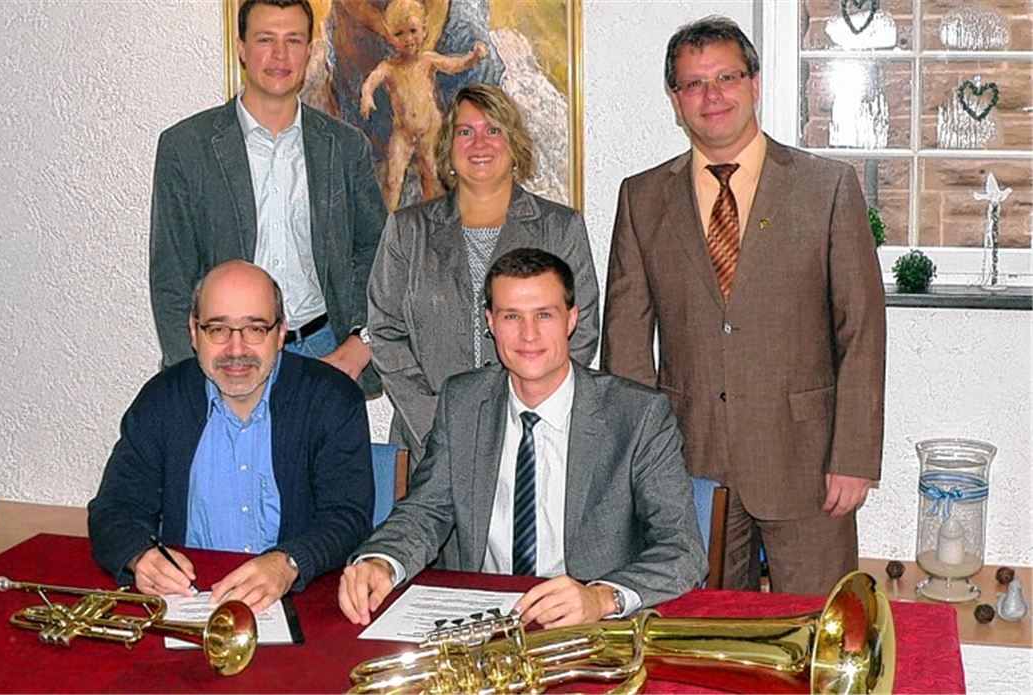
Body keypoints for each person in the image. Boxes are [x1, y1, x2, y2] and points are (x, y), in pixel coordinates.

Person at [601, 16, 886, 595]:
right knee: (696, 641)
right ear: (675, 101)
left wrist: (854, 455)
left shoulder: (826, 187)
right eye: (693, 83)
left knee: (815, 633)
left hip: (808, 464)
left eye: (726, 77)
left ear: (755, 83)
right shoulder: (642, 197)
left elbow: (861, 329)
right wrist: (636, 465)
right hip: (688, 464)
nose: (712, 95)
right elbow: (626, 344)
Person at [341, 248, 705, 628]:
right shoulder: (463, 402)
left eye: (544, 315)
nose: (528, 334)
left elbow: (682, 550)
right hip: (479, 620)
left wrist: (601, 596)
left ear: (572, 320)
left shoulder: (637, 414)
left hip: (586, 624)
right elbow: (426, 511)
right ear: (490, 323)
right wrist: (382, 559)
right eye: (511, 316)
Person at [89, 260, 374, 612]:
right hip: (190, 602)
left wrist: (288, 562)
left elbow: (347, 516)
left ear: (281, 332)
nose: (236, 350)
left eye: (255, 329)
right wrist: (139, 555)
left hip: (298, 600)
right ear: (194, 332)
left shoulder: (331, 398)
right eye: (218, 330)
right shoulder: (162, 400)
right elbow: (114, 507)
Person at [149, 0, 387, 397]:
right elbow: (171, 277)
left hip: (323, 353)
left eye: (293, 40)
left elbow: (378, 255)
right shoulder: (186, 148)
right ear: (241, 48)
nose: (280, 55)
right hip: (227, 357)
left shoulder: (345, 148)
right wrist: (192, 376)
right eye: (265, 40)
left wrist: (360, 344)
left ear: (309, 52)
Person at [368, 83, 599, 464]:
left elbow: (582, 329)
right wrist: (439, 426)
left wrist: (526, 415)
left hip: (532, 441)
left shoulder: (560, 228)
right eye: (465, 131)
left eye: (494, 130)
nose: (480, 143)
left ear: (514, 144)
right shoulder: (408, 230)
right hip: (427, 446)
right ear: (448, 147)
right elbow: (385, 333)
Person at [359, 0, 487, 211]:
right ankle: (387, 225)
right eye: (399, 34)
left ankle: (432, 222)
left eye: (413, 31)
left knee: (432, 177)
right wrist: (366, 95)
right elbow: (372, 80)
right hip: (403, 132)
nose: (408, 39)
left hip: (430, 129)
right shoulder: (389, 67)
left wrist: (473, 57)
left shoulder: (427, 59)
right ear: (390, 36)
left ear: (424, 30)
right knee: (392, 180)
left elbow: (455, 65)